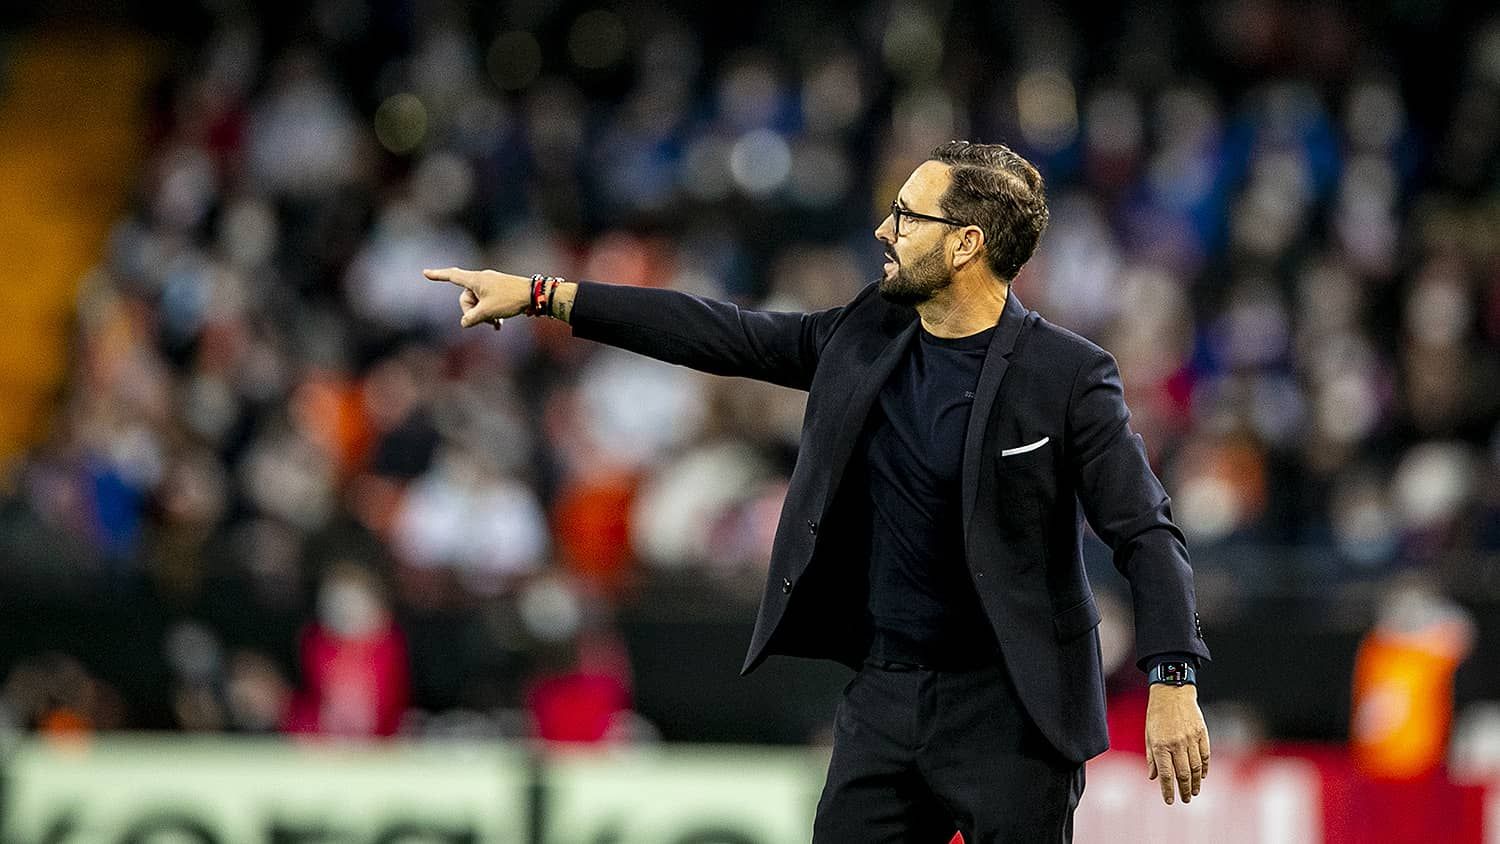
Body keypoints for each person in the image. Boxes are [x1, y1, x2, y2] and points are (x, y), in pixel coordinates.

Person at [423, 140, 1212, 842]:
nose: (884, 230)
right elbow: (723, 334)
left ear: (968, 243)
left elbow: (1145, 530)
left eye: (907, 216)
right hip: (885, 696)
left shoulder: (1068, 376)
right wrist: (542, 294)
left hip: (1011, 711)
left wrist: (1172, 678)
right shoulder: (865, 334)